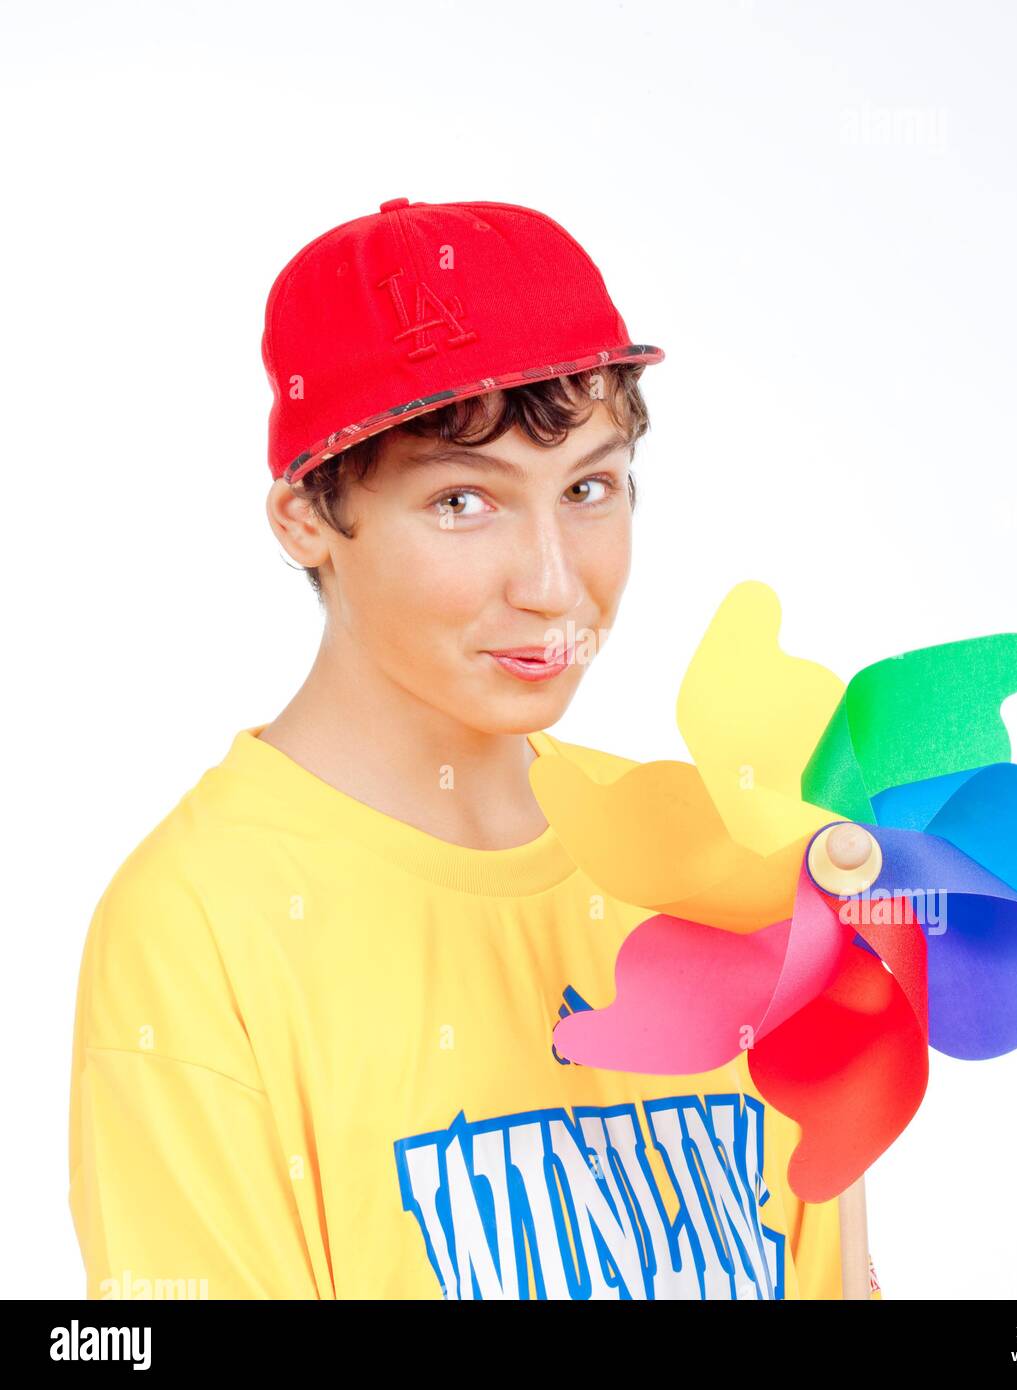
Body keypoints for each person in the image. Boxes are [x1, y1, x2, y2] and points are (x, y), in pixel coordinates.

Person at [67, 195, 882, 1300]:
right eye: (462, 501)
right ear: (306, 514)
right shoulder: (198, 925)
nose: (553, 583)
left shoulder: (719, 862)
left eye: (588, 487)